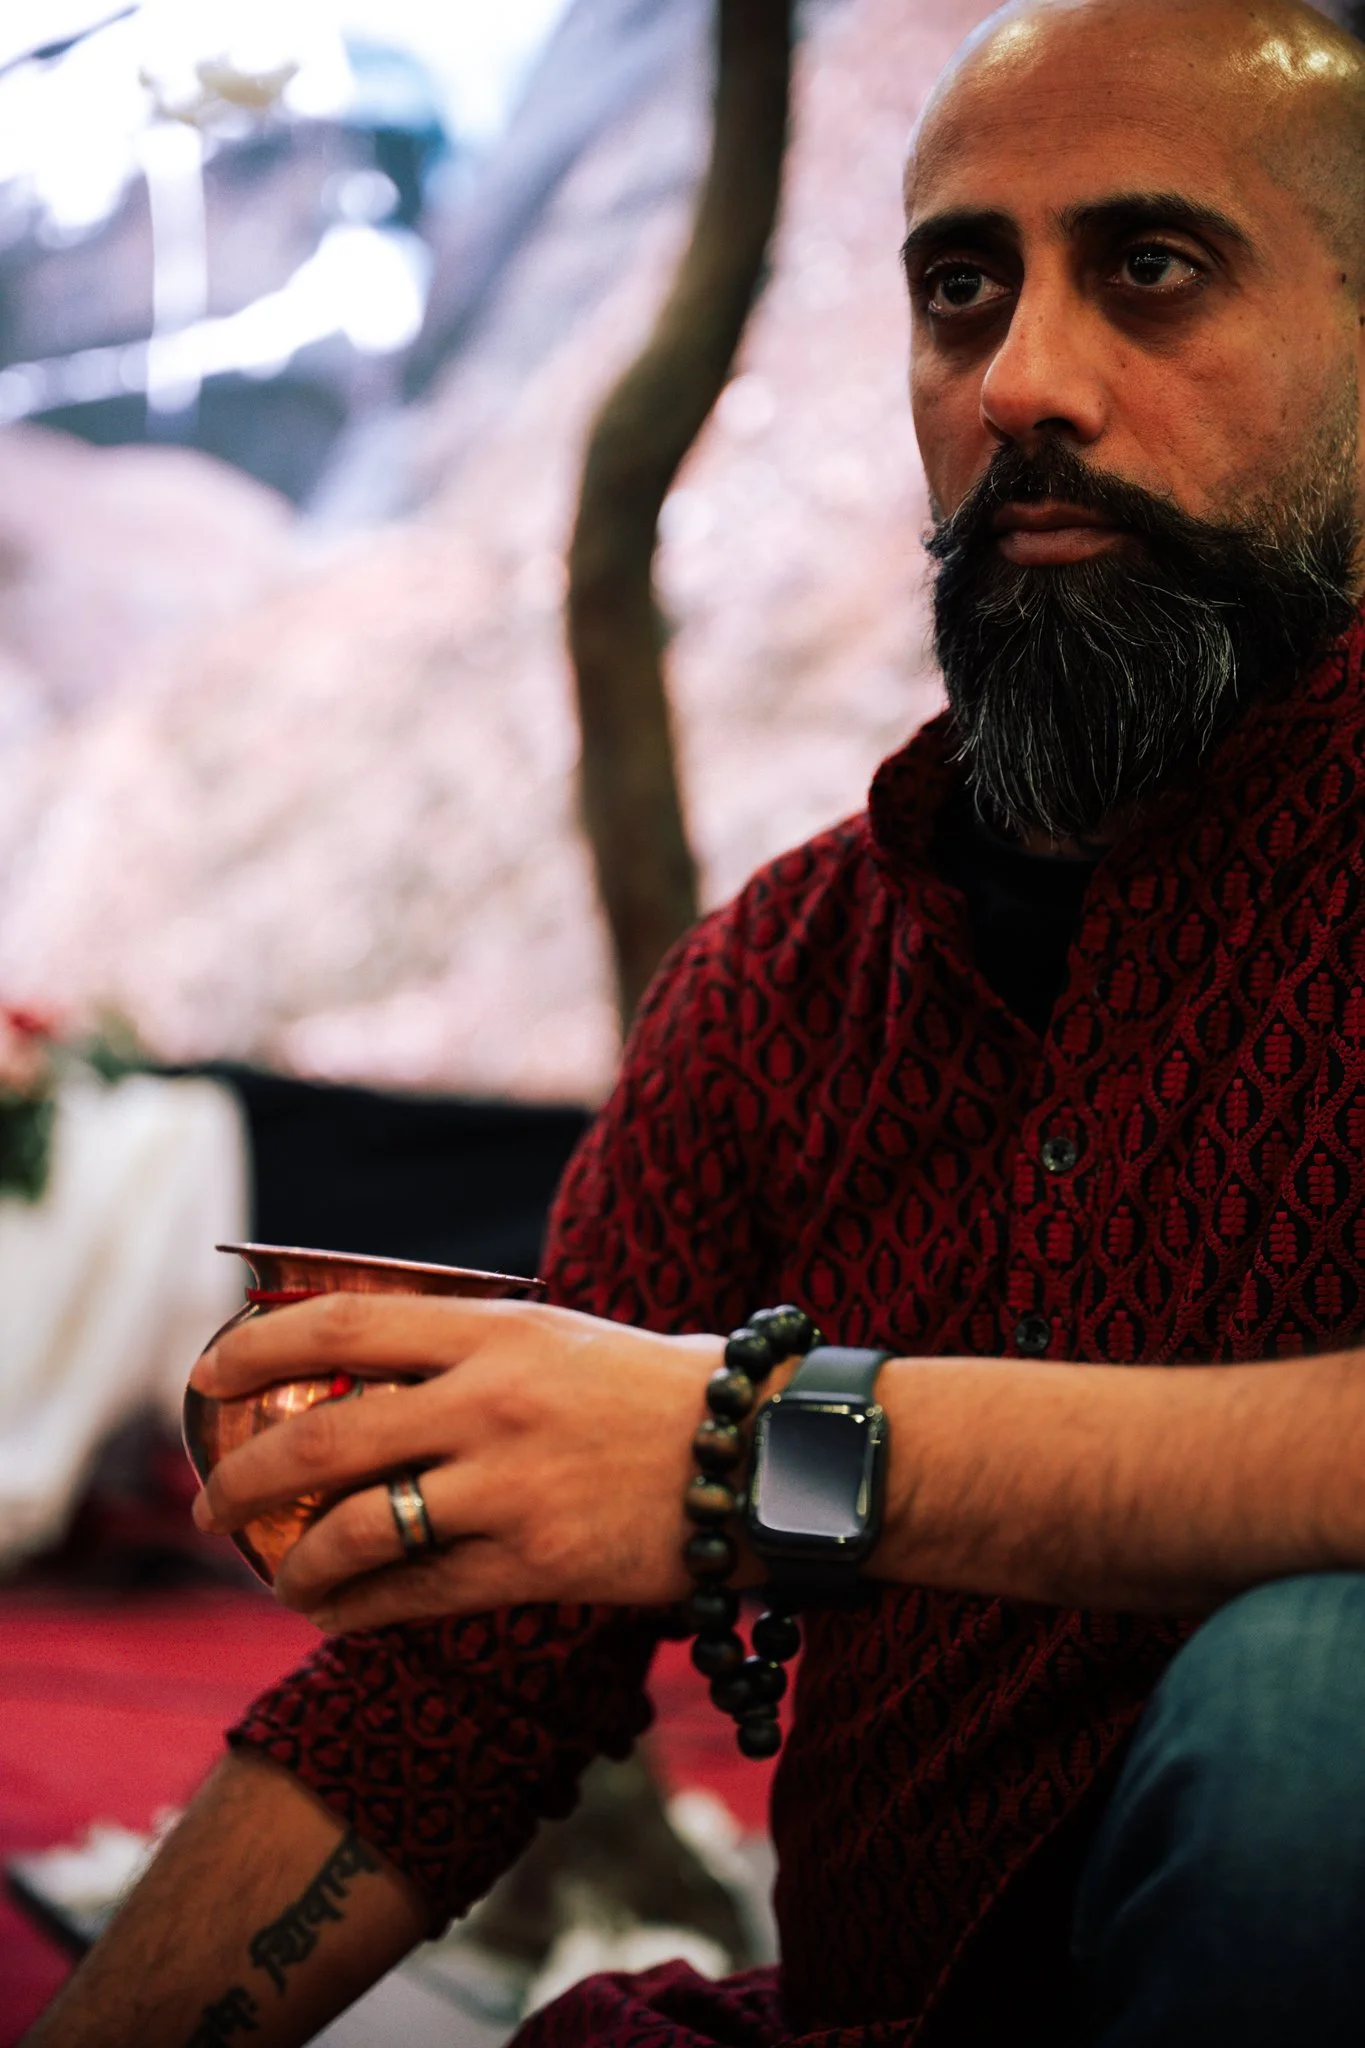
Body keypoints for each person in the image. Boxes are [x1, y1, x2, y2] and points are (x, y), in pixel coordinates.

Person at [29, 0, 1365, 2041]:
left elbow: (705, 1459)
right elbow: (459, 1690)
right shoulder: (792, 979)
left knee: (1311, 1701)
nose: (1021, 378)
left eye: (1154, 267)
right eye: (960, 287)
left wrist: (754, 1451)